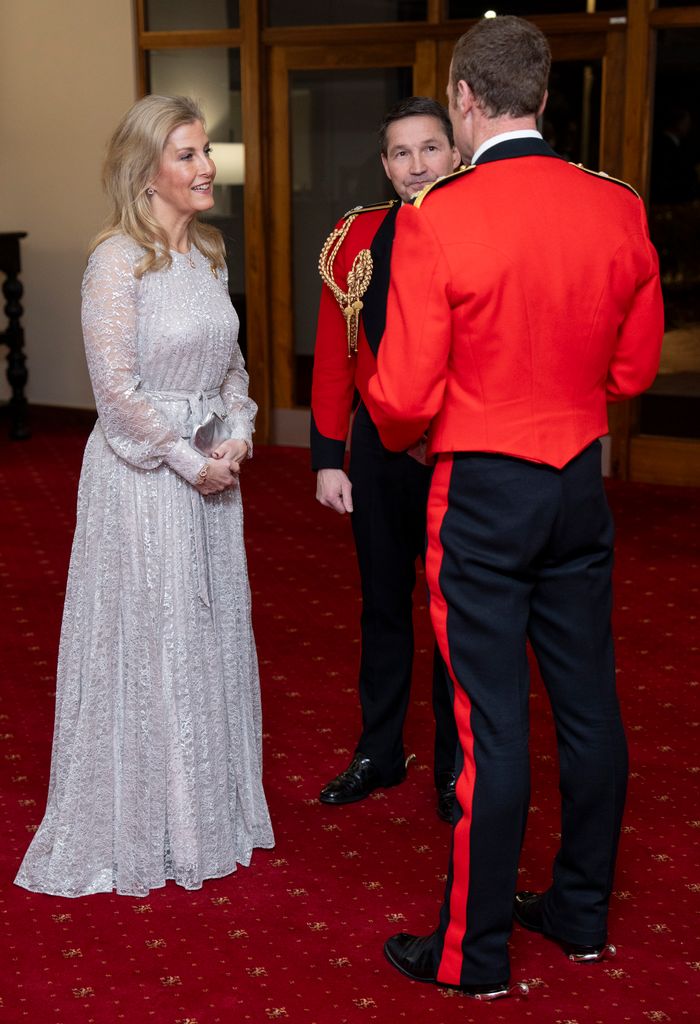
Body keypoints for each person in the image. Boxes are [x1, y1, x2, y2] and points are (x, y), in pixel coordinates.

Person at [364, 17, 664, 1000]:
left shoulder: (436, 214)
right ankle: (578, 914)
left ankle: (472, 953)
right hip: (578, 476)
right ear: (542, 94)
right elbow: (632, 368)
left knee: (485, 723)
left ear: (461, 99)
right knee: (588, 705)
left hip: (483, 489)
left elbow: (404, 397)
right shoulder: (616, 206)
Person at [15, 95, 274, 897]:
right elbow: (117, 392)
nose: (205, 168)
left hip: (210, 474)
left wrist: (237, 430)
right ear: (147, 171)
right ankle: (144, 822)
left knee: (203, 634)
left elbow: (233, 370)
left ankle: (205, 813)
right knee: (152, 638)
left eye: (206, 152)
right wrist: (186, 459)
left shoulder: (211, 253)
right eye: (188, 155)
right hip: (145, 479)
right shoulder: (115, 262)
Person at [311, 97, 460, 820]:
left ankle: (456, 767)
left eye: (429, 148)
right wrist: (325, 456)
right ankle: (379, 751)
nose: (415, 165)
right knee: (382, 605)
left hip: (459, 447)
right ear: (384, 163)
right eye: (400, 153)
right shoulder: (357, 237)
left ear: (456, 150)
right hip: (375, 450)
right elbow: (336, 357)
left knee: (455, 614)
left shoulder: (480, 226)